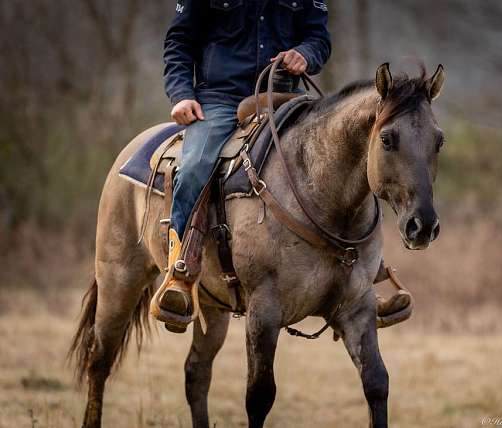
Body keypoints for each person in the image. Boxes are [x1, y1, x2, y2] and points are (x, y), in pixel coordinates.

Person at [154, 0, 411, 332]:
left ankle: (362, 281)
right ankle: (181, 271)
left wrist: (305, 53)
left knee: (343, 157)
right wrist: (181, 95)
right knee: (194, 167)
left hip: (284, 97)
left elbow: (318, 38)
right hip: (220, 100)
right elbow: (179, 42)